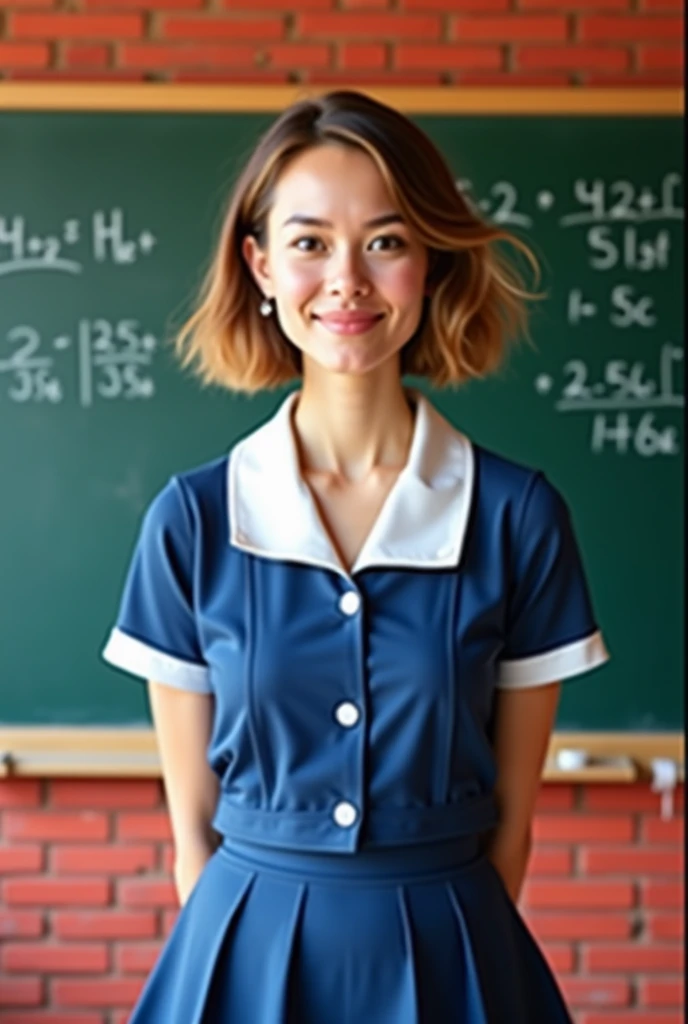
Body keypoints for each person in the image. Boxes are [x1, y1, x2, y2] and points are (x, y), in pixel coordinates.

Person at [102, 89, 610, 1023]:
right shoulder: (193, 519)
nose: (347, 280)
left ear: (430, 265)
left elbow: (513, 824)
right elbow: (191, 839)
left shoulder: (516, 515)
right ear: (258, 265)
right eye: (308, 243)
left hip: (454, 943)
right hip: (243, 948)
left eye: (385, 241)